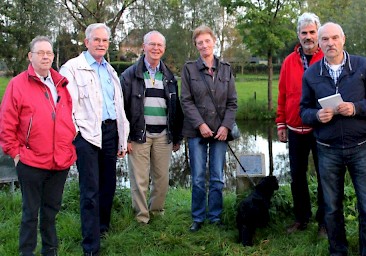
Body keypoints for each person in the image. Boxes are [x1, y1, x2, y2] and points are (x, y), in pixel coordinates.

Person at [300, 22, 366, 256]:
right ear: (319, 43)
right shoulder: (311, 73)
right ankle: (338, 251)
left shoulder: (363, 66)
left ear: (343, 39)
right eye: (325, 39)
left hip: (360, 146)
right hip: (327, 149)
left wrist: (356, 108)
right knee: (331, 207)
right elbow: (303, 111)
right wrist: (317, 115)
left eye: (334, 38)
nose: (330, 43)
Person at [0, 36, 76, 256]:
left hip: (60, 161)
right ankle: (27, 252)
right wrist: (15, 154)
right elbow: (7, 124)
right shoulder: (18, 84)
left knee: (51, 212)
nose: (45, 56)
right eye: (40, 52)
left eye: (49, 53)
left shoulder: (61, 83)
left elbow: (68, 117)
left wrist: (70, 141)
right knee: (30, 213)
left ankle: (50, 251)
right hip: (30, 161)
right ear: (30, 56)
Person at [60, 23, 129, 256]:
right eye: (96, 40)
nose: (101, 44)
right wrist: (76, 135)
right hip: (86, 134)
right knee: (90, 189)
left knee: (108, 184)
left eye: (105, 40)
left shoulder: (110, 70)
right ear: (86, 42)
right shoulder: (72, 68)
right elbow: (66, 106)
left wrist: (121, 137)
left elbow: (117, 106)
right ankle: (91, 246)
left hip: (110, 132)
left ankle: (102, 228)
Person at [120, 31, 184, 224]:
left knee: (162, 179)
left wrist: (177, 136)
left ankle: (156, 212)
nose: (156, 48)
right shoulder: (129, 75)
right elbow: (121, 108)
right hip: (139, 135)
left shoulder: (169, 76)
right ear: (143, 46)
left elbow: (176, 108)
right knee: (139, 181)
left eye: (159, 45)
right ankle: (142, 218)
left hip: (164, 136)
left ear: (163, 49)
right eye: (152, 44)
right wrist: (126, 138)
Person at [180, 25, 237, 232]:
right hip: (197, 132)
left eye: (207, 41)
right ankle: (197, 217)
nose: (204, 45)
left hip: (220, 133)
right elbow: (185, 101)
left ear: (214, 42)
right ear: (196, 46)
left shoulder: (226, 69)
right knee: (197, 177)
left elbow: (232, 102)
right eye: (199, 42)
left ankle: (215, 217)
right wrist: (200, 124)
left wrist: (225, 127)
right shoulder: (189, 69)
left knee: (217, 177)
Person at [275, 12, 326, 236]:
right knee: (297, 175)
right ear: (298, 35)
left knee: (326, 174)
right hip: (295, 128)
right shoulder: (289, 61)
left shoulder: (326, 57)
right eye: (304, 33)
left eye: (312, 32)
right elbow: (283, 94)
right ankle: (301, 218)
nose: (308, 36)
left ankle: (325, 221)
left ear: (319, 33)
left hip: (321, 127)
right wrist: (281, 124)